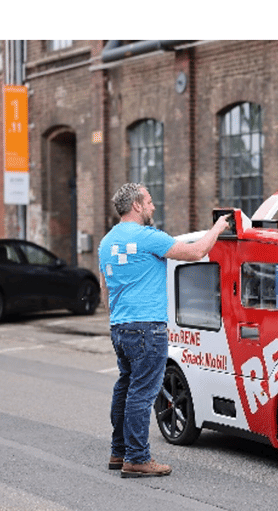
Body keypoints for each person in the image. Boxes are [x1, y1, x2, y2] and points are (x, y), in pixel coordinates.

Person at [99, 183, 230, 478]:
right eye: (149, 201)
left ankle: (118, 452)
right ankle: (137, 458)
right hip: (147, 328)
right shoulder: (148, 239)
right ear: (136, 205)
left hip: (120, 327)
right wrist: (219, 227)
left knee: (125, 387)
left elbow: (104, 289)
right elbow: (197, 252)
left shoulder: (106, 243)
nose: (153, 206)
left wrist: (119, 317)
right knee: (142, 395)